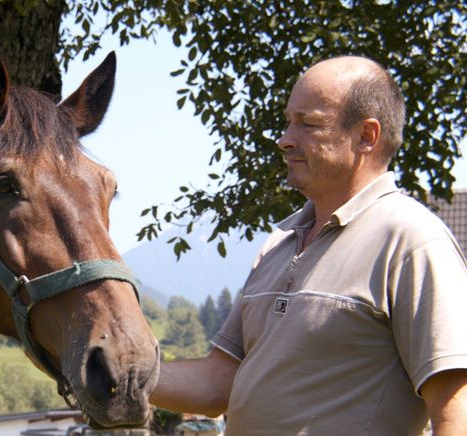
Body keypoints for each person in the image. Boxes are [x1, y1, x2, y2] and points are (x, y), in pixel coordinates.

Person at [150, 56, 467, 435]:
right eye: (288, 121)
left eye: (308, 124)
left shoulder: (411, 239)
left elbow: (456, 410)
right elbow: (217, 383)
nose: (285, 139)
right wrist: (109, 371)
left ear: (366, 136)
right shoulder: (279, 245)